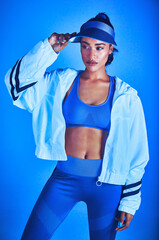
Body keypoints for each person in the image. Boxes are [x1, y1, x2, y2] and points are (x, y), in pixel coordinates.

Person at [5, 12, 149, 240]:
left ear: (111, 49)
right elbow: (16, 86)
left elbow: (138, 153)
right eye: (85, 46)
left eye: (99, 47)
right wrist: (47, 49)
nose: (91, 54)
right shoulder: (60, 82)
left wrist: (130, 201)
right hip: (64, 179)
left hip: (107, 187)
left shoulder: (127, 96)